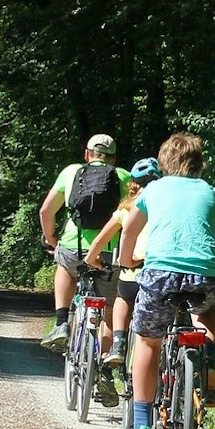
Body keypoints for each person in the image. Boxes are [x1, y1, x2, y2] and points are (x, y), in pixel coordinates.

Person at [116, 132, 215, 429]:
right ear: (200, 164)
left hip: (159, 275)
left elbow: (130, 230)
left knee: (148, 341)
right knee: (208, 311)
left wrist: (126, 261)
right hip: (204, 276)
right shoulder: (212, 193)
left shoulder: (153, 189)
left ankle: (141, 426)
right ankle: (208, 363)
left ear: (165, 163)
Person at [39, 134, 130, 370]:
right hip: (110, 253)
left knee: (65, 267)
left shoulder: (71, 172)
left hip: (73, 247)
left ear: (87, 154)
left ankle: (61, 323)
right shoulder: (123, 176)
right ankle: (106, 371)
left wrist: (52, 240)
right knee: (109, 309)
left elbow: (46, 211)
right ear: (113, 158)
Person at [84, 156, 162, 378]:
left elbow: (99, 241)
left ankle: (118, 342)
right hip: (159, 272)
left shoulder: (125, 209)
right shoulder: (165, 208)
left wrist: (92, 260)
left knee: (122, 298)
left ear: (132, 184)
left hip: (132, 274)